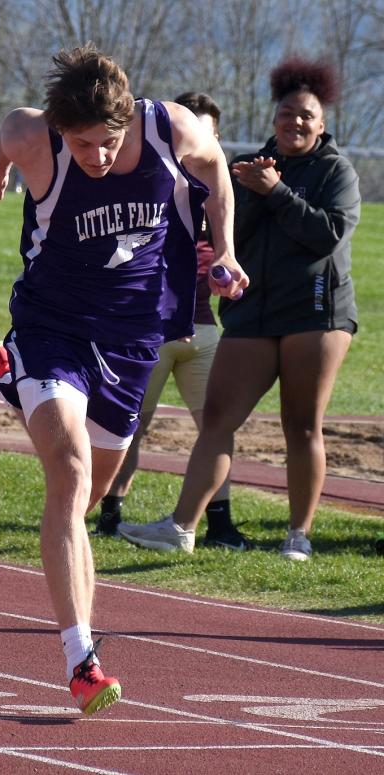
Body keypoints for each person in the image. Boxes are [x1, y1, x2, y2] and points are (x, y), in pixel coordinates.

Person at [0, 44, 245, 715]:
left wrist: (226, 247)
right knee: (65, 474)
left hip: (132, 337)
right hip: (52, 326)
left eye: (108, 144)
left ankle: (5, 380)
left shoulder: (172, 129)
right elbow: (7, 127)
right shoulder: (36, 139)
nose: (96, 157)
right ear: (62, 132)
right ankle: (80, 658)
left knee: (89, 495)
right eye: (83, 144)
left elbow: (217, 171)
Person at [117, 57, 359, 561]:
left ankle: (298, 535)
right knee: (219, 419)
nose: (295, 122)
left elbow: (327, 235)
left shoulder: (336, 171)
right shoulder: (247, 167)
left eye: (306, 116)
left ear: (322, 124)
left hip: (315, 313)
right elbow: (225, 237)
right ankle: (182, 527)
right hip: (252, 314)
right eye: (287, 113)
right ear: (275, 118)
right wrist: (252, 193)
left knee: (302, 424)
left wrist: (277, 193)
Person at [94, 92, 248, 551]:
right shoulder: (155, 184)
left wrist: (229, 260)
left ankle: (218, 523)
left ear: (214, 138)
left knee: (216, 429)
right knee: (129, 423)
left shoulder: (225, 195)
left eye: (208, 132)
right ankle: (109, 512)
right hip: (154, 330)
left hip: (205, 332)